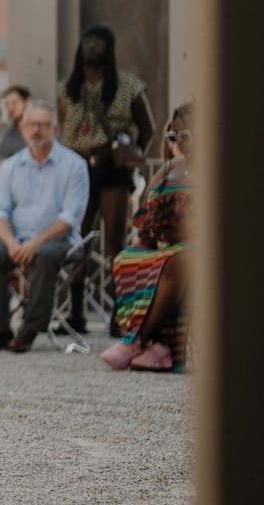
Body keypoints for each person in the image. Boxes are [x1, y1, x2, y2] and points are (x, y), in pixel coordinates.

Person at [0, 100, 89, 354]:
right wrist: (12, 243)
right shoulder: (10, 167)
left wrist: (35, 243)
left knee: (45, 254)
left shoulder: (74, 165)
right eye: (32, 125)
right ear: (23, 130)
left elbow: (70, 217)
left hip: (60, 240)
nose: (36, 130)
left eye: (43, 125)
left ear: (55, 130)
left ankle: (30, 329)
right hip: (17, 239)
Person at [56, 24, 156, 332]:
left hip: (112, 168)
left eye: (98, 42)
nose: (92, 46)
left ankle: (119, 312)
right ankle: (76, 313)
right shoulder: (67, 88)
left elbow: (148, 128)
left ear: (109, 48)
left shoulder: (128, 85)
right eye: (87, 41)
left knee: (114, 239)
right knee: (78, 237)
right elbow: (64, 129)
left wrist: (129, 158)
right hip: (78, 166)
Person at [100, 104, 192, 372]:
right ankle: (158, 347)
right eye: (172, 137)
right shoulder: (169, 170)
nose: (178, 143)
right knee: (128, 256)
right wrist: (152, 228)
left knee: (181, 259)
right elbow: (145, 216)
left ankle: (139, 340)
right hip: (173, 245)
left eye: (184, 135)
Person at [0, 84, 32, 160]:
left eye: (14, 103)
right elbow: (1, 164)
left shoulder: (44, 129)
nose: (10, 108)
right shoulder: (6, 136)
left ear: (27, 102)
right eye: (7, 104)